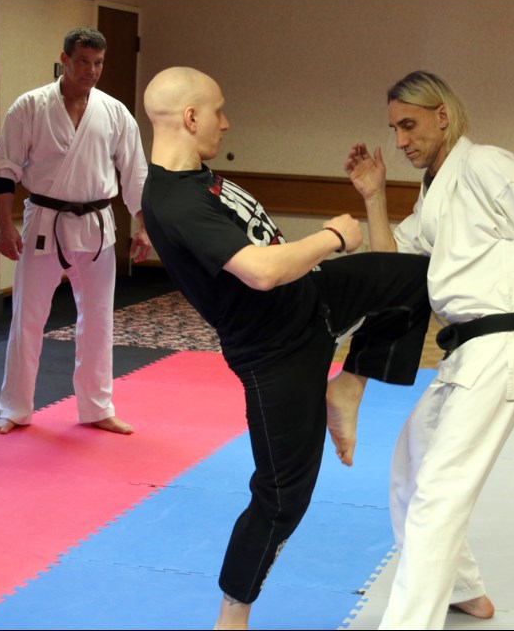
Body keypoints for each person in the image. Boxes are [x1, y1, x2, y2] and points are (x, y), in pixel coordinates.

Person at [140, 66, 432, 630]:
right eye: (218, 111)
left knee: (415, 280)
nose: (227, 122)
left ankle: (348, 387)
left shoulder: (201, 179)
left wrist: (370, 202)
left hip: (315, 300)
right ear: (190, 117)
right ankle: (233, 615)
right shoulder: (174, 202)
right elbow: (263, 271)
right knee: (282, 496)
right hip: (276, 354)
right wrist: (331, 238)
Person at [344, 70, 514, 629]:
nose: (400, 140)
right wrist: (375, 195)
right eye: (393, 129)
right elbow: (394, 267)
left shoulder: (485, 164)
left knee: (438, 497)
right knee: (409, 468)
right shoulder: (437, 186)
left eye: (410, 124)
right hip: (464, 351)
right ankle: (465, 591)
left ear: (442, 116)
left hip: (499, 345)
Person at [0, 27, 152, 436]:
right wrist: (4, 226)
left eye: (98, 63)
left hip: (98, 226)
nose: (92, 71)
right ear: (64, 59)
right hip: (44, 221)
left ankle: (97, 407)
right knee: (28, 317)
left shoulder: (114, 112)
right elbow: (3, 170)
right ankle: (15, 408)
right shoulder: (30, 107)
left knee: (97, 320)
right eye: (83, 62)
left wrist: (144, 227)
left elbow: (136, 174)